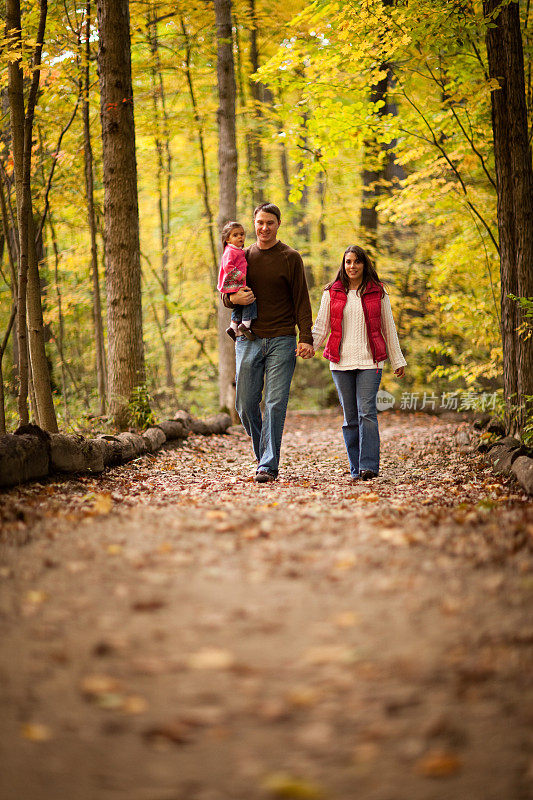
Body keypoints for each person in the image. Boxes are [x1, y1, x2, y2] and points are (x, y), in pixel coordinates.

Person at [222, 202, 314, 483]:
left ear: (278, 224)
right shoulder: (242, 255)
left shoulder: (290, 257)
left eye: (270, 223)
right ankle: (265, 453)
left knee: (275, 403)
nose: (264, 228)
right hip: (248, 340)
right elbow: (227, 288)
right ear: (254, 223)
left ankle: (268, 465)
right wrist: (231, 300)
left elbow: (301, 300)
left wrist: (306, 338)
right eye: (260, 222)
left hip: (282, 340)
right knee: (244, 404)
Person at [312, 245, 406, 480]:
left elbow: (388, 328)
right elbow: (321, 327)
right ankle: (355, 468)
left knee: (367, 414)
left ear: (364, 264)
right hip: (340, 362)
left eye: (356, 262)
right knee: (350, 418)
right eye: (348, 262)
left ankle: (369, 467)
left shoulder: (378, 292)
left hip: (370, 361)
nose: (352, 266)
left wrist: (397, 359)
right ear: (343, 265)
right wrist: (307, 346)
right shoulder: (331, 292)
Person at [217, 221, 257, 341]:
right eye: (235, 235)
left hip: (236, 281)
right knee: (250, 299)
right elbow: (228, 266)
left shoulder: (237, 250)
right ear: (228, 239)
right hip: (233, 282)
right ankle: (245, 324)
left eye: (242, 234)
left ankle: (233, 326)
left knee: (240, 304)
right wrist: (240, 275)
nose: (240, 237)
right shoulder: (230, 251)